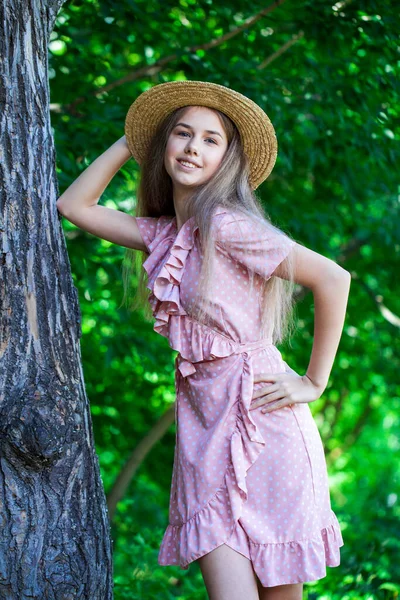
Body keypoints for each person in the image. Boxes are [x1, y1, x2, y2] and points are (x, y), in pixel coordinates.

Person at [56, 80, 351, 600]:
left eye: (211, 140)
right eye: (181, 134)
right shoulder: (165, 234)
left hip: (266, 427)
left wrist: (314, 381)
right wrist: (136, 136)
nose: (193, 147)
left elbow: (333, 278)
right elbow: (75, 205)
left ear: (228, 160)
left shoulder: (226, 225)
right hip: (203, 432)